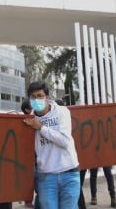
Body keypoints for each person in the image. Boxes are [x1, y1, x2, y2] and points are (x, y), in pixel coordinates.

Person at [23, 81, 80, 209]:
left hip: (69, 173)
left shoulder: (62, 112)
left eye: (40, 95)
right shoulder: (28, 120)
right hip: (46, 177)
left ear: (47, 98)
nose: (37, 99)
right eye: (33, 97)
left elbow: (64, 140)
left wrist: (41, 128)